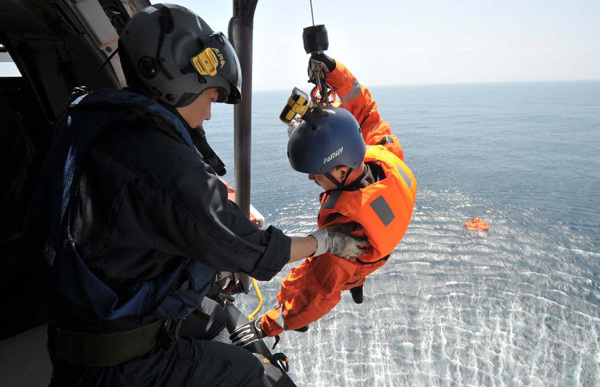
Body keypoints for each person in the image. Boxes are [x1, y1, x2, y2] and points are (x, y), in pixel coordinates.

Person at [26, 4, 366, 386]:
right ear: (176, 79)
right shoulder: (161, 159)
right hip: (119, 363)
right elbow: (254, 251)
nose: (208, 113)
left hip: (77, 328)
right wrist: (326, 242)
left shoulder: (86, 119)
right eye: (209, 95)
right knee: (253, 375)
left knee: (215, 315)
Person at [230, 54, 417, 346]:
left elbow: (316, 298)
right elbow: (364, 109)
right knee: (343, 276)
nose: (310, 178)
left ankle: (350, 287)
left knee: (304, 284)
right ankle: (357, 285)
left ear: (342, 170)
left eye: (316, 173)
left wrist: (266, 326)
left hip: (358, 259)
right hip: (384, 237)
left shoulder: (346, 238)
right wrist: (334, 71)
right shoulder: (385, 155)